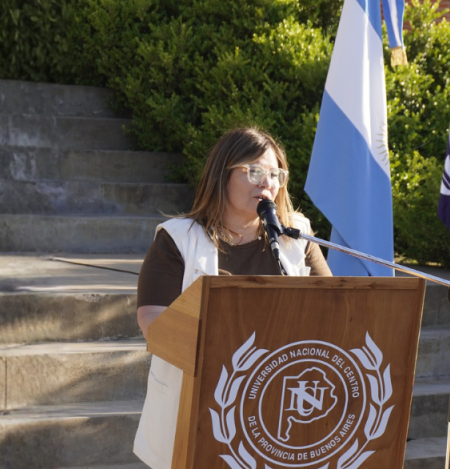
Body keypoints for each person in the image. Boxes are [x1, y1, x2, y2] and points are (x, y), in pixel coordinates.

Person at [132, 127, 331, 469]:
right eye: (254, 171)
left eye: (275, 175)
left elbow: (334, 308)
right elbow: (153, 320)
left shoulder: (297, 234)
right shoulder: (178, 238)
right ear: (222, 173)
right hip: (199, 402)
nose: (266, 183)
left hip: (279, 403)